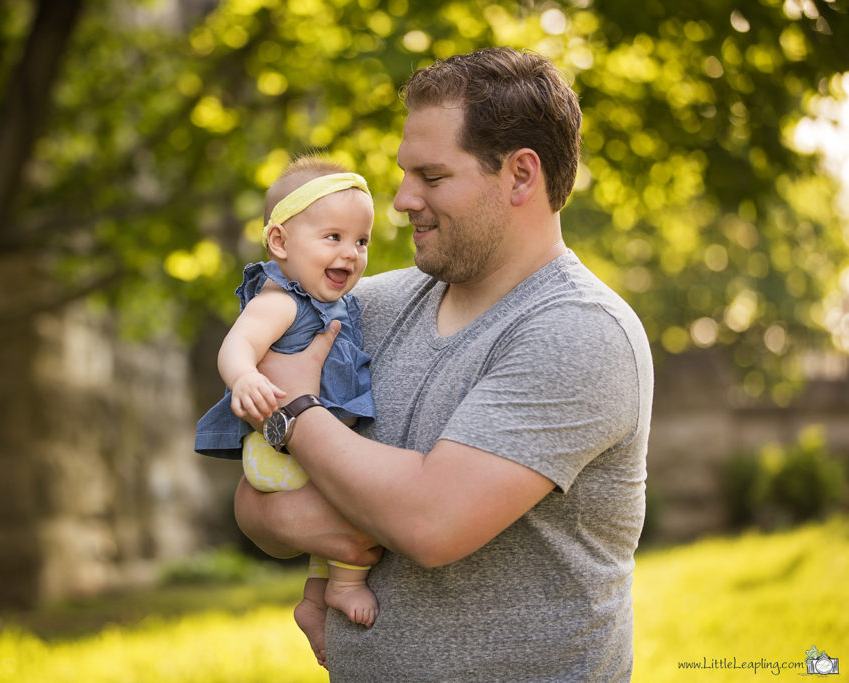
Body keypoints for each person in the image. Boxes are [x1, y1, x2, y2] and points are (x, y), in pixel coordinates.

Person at [234, 47, 654, 681]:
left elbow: (432, 523)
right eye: (405, 175)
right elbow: (252, 499)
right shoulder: (363, 306)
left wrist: (296, 409)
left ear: (520, 176)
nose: (401, 200)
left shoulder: (580, 332)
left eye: (431, 177)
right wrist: (305, 519)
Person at [194, 156, 380, 668]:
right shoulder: (282, 301)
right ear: (279, 244)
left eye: (361, 241)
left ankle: (315, 602)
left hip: (293, 447)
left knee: (339, 496)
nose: (351, 253)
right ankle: (345, 585)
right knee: (354, 495)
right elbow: (237, 345)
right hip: (275, 448)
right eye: (333, 237)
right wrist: (246, 376)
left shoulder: (338, 302)